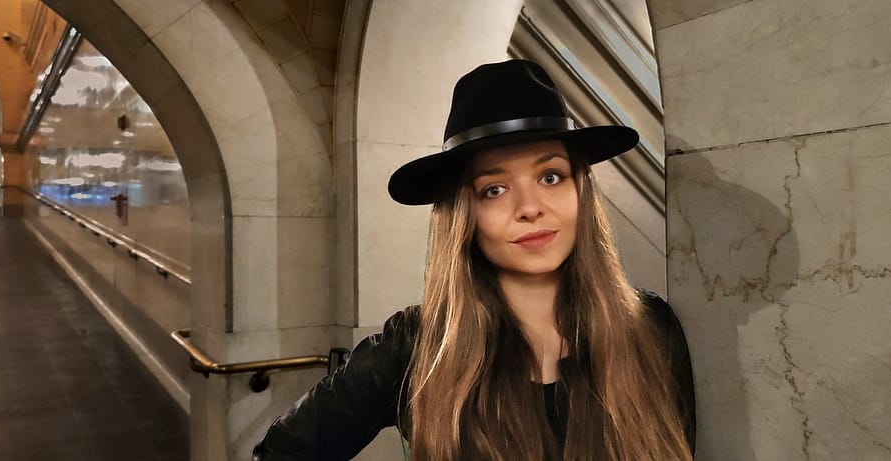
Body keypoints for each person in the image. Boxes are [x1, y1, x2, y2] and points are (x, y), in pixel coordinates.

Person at [253, 59, 695, 460]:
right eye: (494, 190)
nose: (530, 207)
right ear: (464, 216)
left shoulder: (650, 328)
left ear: (581, 190)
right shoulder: (415, 347)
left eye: (550, 176)